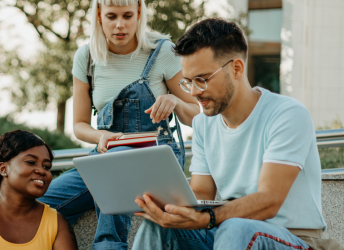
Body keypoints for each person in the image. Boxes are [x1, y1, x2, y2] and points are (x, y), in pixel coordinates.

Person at [132, 18, 342, 250]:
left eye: (202, 79)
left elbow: (269, 200)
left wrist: (208, 218)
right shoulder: (203, 124)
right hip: (228, 235)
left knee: (235, 227)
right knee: (159, 226)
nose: (193, 92)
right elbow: (201, 191)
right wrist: (166, 205)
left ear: (237, 68)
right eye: (188, 82)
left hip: (296, 240)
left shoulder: (287, 114)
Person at [36, 0, 200, 249]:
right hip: (105, 155)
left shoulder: (163, 52)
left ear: (139, 15)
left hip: (156, 156)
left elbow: (196, 114)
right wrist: (101, 136)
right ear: (99, 16)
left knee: (116, 162)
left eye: (128, 16)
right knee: (40, 205)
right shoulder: (87, 57)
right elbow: (80, 125)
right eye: (112, 16)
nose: (120, 25)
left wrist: (175, 100)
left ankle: (108, 244)